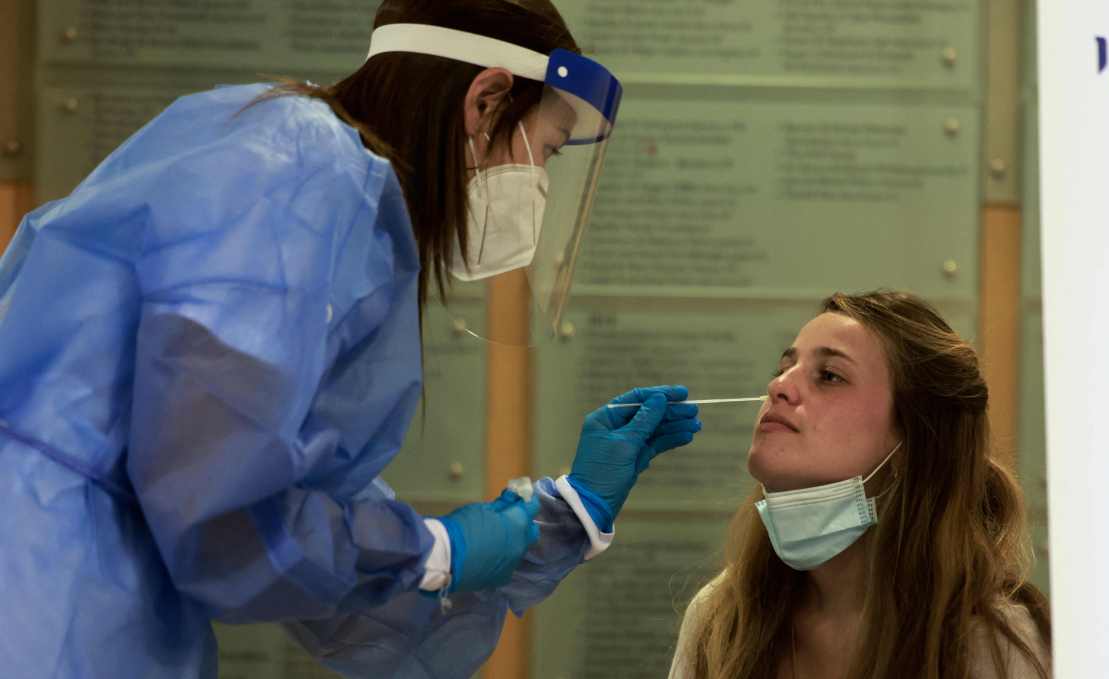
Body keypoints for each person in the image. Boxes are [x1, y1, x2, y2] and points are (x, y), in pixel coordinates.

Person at [0, 2, 702, 678]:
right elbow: (217, 501)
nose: (540, 182)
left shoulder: (313, 181)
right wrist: (435, 548)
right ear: (486, 102)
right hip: (40, 591)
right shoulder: (299, 172)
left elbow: (306, 553)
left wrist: (562, 516)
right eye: (543, 149)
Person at [668, 291, 1050, 679]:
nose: (779, 386)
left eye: (829, 376)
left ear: (911, 443)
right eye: (783, 367)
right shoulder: (720, 620)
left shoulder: (997, 645)